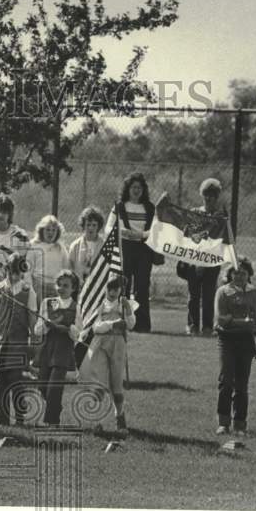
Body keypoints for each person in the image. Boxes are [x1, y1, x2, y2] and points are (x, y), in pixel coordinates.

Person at [213, 257, 256, 437]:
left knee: (242, 384)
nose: (239, 276)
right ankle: (223, 422)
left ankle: (240, 424)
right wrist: (242, 322)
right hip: (227, 340)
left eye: (243, 273)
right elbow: (221, 319)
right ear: (229, 274)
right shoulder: (223, 292)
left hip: (247, 342)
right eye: (235, 273)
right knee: (225, 380)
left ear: (249, 275)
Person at [0, 253, 37, 427]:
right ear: (5, 269)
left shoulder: (28, 291)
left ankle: (20, 419)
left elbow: (32, 320)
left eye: (18, 272)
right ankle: (3, 419)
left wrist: (33, 346)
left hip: (19, 343)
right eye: (11, 270)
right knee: (0, 381)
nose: (14, 275)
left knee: (17, 380)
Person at [80, 274, 136, 433]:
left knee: (116, 384)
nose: (112, 292)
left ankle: (120, 417)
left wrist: (128, 310)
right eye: (109, 289)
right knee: (100, 383)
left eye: (116, 289)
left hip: (118, 347)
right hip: (100, 346)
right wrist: (112, 324)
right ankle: (96, 420)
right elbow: (95, 327)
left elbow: (131, 325)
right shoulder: (100, 305)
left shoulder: (124, 305)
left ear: (121, 289)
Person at [33, 269, 81, 426]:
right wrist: (46, 325)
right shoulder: (48, 302)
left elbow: (78, 333)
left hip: (63, 350)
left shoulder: (76, 307)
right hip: (47, 349)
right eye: (59, 285)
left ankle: (51, 421)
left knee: (54, 386)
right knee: (42, 386)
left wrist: (67, 329)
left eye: (66, 285)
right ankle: (55, 407)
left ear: (73, 288)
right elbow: (37, 329)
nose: (61, 288)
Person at [184, 177, 226, 336]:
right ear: (202, 195)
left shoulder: (221, 217)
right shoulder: (195, 212)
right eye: (206, 195)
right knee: (193, 294)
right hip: (194, 259)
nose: (209, 198)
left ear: (217, 197)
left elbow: (225, 238)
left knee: (209, 294)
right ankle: (192, 325)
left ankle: (208, 326)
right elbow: (187, 234)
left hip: (211, 260)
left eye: (212, 195)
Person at [117, 173, 157, 333]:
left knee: (142, 286)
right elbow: (109, 227)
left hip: (144, 249)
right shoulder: (120, 206)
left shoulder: (149, 207)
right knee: (123, 284)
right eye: (133, 187)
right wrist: (124, 232)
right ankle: (122, 321)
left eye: (139, 187)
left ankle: (142, 324)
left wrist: (140, 235)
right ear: (128, 188)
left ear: (143, 190)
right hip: (126, 247)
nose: (136, 190)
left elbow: (155, 230)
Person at [28, 215, 71, 302]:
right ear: (41, 230)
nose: (50, 233)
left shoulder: (60, 247)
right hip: (39, 284)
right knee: (40, 310)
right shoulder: (34, 245)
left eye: (53, 230)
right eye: (47, 230)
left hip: (55, 285)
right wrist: (30, 287)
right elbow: (28, 269)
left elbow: (66, 267)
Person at [68, 206, 105, 284]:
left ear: (99, 226)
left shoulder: (104, 245)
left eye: (94, 225)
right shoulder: (75, 245)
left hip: (97, 285)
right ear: (83, 225)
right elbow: (70, 267)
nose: (91, 228)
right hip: (79, 284)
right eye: (88, 225)